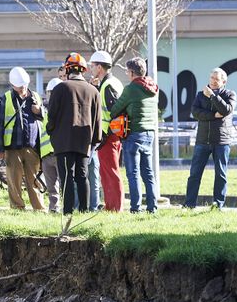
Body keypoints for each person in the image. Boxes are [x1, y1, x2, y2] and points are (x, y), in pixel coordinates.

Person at [46, 53, 101, 215]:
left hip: (63, 142)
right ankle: (84, 211)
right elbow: (97, 120)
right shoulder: (93, 91)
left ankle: (68, 212)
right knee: (82, 176)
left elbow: (52, 116)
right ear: (83, 70)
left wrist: (52, 132)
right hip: (84, 142)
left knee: (67, 177)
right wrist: (94, 141)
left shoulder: (60, 88)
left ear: (68, 69)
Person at [183, 67, 237, 209]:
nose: (213, 81)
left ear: (224, 81)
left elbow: (225, 110)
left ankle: (218, 204)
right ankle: (189, 204)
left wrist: (213, 96)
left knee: (221, 174)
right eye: (211, 78)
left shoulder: (230, 95)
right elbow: (195, 112)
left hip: (221, 141)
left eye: (216, 79)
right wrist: (213, 115)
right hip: (202, 140)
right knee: (194, 174)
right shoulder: (201, 95)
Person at [111, 57, 160, 213]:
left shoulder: (131, 88)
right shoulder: (153, 88)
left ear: (132, 72)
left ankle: (135, 208)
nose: (126, 73)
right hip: (149, 133)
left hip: (134, 134)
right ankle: (152, 208)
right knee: (148, 173)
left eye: (127, 71)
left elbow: (115, 110)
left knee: (133, 173)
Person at [0, 66, 45, 211]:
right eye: (19, 86)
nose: (22, 89)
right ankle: (17, 208)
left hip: (32, 146)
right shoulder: (5, 99)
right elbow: (0, 124)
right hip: (12, 147)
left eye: (24, 85)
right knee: (14, 180)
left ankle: (39, 208)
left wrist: (39, 111)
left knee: (34, 179)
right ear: (12, 85)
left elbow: (44, 118)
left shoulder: (35, 96)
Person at [90, 51, 125, 211]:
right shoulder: (109, 83)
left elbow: (115, 111)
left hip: (109, 136)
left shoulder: (108, 85)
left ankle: (115, 207)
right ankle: (110, 206)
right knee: (107, 173)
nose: (91, 69)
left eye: (92, 66)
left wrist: (106, 134)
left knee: (111, 172)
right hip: (110, 136)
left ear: (99, 67)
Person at [41, 78, 62, 213]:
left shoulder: (65, 111)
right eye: (50, 92)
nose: (51, 95)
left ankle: (67, 210)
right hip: (46, 155)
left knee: (64, 184)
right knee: (51, 187)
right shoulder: (44, 111)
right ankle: (53, 209)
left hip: (60, 153)